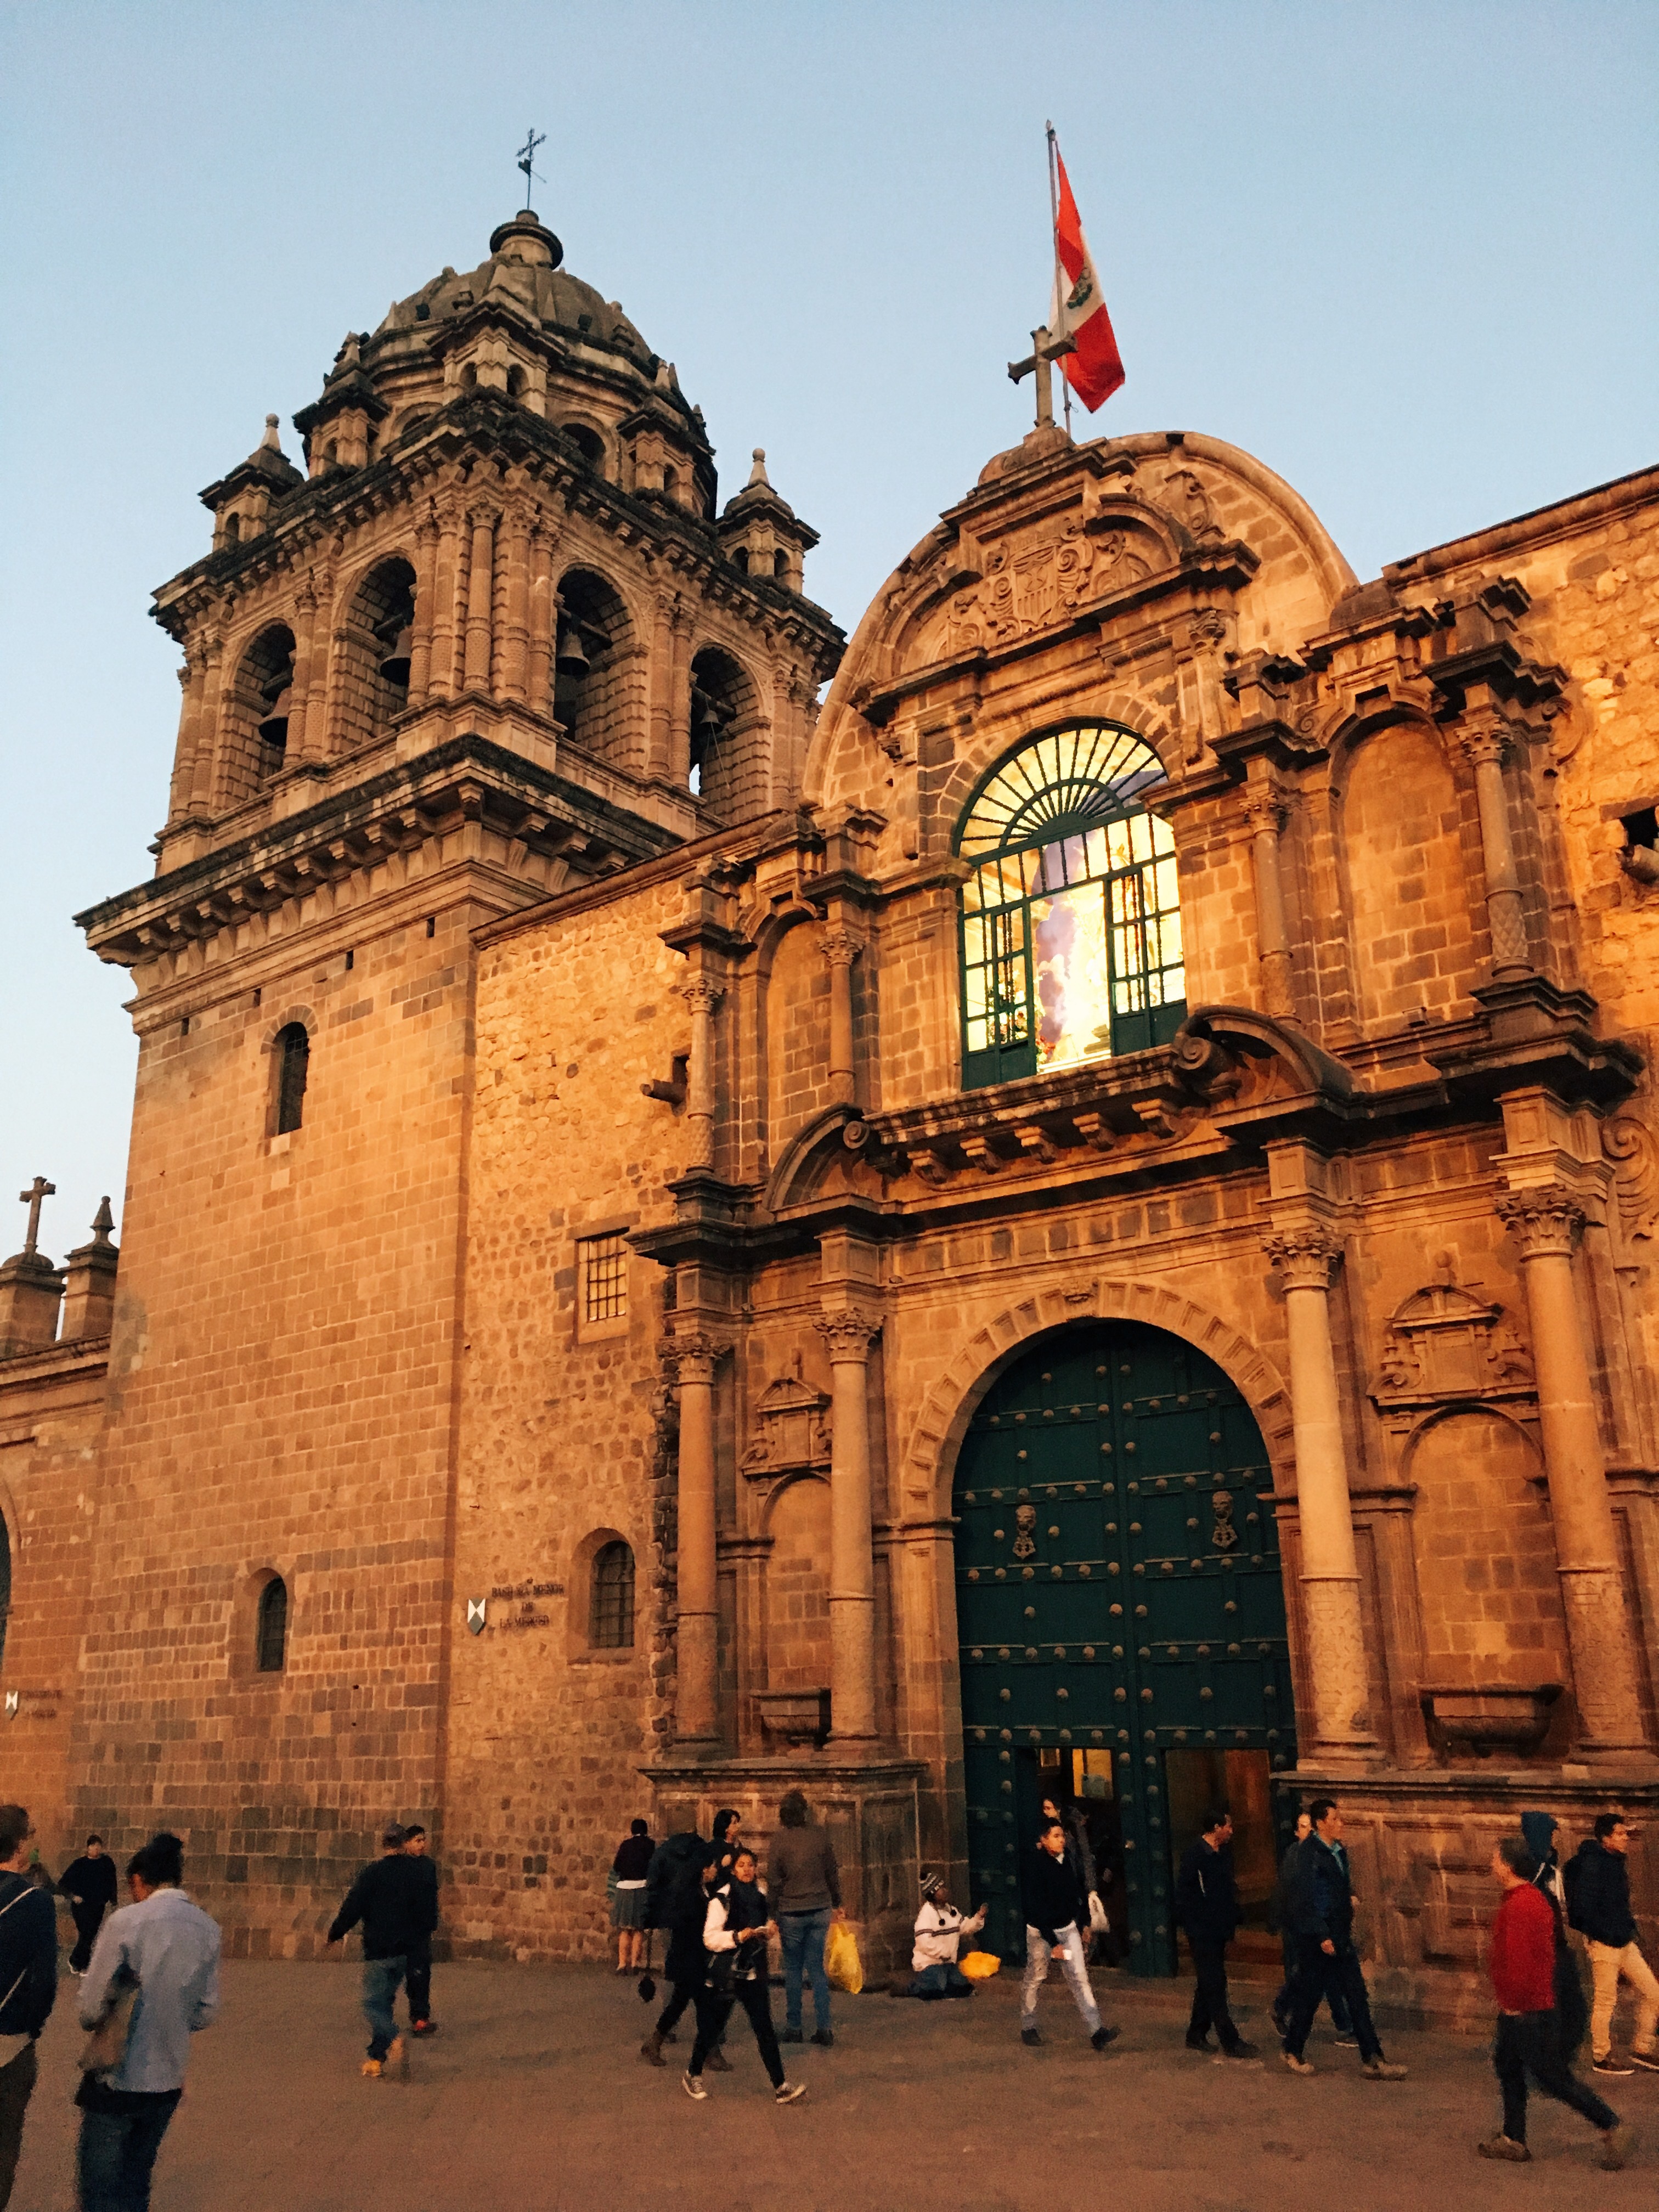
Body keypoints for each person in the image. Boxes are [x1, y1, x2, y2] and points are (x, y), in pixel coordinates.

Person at [76, 1831, 220, 2212]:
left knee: (100, 2191)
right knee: (136, 2182)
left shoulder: (126, 1922)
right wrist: (171, 2015)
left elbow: (89, 2009)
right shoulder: (207, 1928)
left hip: (118, 2076)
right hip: (168, 2077)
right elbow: (207, 2010)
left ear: (138, 1881)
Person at [1479, 1833, 1629, 2169]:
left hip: (1526, 2008)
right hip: (1528, 2005)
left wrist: (1516, 2004)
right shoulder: (1529, 1898)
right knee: (1508, 2066)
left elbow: (1521, 1961)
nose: (1492, 1864)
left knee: (1552, 2077)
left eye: (1496, 1859)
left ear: (1508, 1865)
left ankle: (1609, 2123)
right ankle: (1513, 2137)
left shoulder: (1521, 1905)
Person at [1279, 1798, 1405, 2080]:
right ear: (1321, 1823)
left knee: (1357, 1995)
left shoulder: (1338, 1850)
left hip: (1340, 1935)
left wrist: (1347, 1902)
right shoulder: (1308, 1854)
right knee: (1311, 1995)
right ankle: (1292, 2049)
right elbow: (1306, 1898)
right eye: (1335, 1819)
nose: (1341, 1823)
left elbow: (1337, 1887)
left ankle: (1373, 2058)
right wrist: (1322, 1934)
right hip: (1320, 1939)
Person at [682, 1847, 805, 2105]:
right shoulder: (722, 1899)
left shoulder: (760, 1895)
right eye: (742, 1865)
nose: (747, 1870)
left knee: (765, 2029)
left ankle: (780, 2085)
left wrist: (767, 1931)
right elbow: (710, 1938)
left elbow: (763, 1923)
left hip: (753, 1972)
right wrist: (738, 1936)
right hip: (728, 1973)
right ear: (733, 1870)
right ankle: (693, 2073)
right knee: (712, 2028)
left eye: (751, 1865)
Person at [326, 1822, 432, 2078]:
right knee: (384, 2003)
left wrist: (335, 1933)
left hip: (379, 1950)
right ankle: (376, 2058)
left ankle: (394, 2038)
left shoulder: (373, 1874)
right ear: (403, 1843)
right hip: (406, 1950)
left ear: (384, 1844)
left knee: (373, 2004)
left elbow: (353, 1907)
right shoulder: (417, 1872)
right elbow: (427, 1909)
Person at [1566, 1812, 1658, 2076]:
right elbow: (1583, 1910)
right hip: (1605, 1944)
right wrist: (1602, 1934)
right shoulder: (1594, 1865)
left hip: (1624, 1941)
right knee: (1605, 2001)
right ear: (1606, 1838)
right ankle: (1601, 2056)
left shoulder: (1615, 1862)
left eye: (1625, 1833)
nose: (1625, 1838)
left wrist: (1627, 1930)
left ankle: (1642, 2048)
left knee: (1653, 1993)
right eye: (1619, 1834)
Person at [0, 1805, 58, 2212]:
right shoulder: (35, 1902)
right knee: (4, 2146)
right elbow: (44, 1983)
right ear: (20, 1846)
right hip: (10, 2043)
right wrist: (31, 2027)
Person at [1020, 1819, 1118, 2052]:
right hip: (1041, 1934)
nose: (1061, 1840)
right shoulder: (1035, 1866)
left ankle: (1096, 2031)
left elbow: (1078, 1893)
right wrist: (1053, 1943)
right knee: (1036, 1977)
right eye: (1055, 1836)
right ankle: (1028, 2025)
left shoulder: (1068, 1861)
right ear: (1044, 1840)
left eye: (1062, 1835)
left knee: (1079, 1978)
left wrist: (1085, 1924)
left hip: (1068, 1929)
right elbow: (1034, 1908)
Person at [640, 1828, 728, 2073]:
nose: (715, 1870)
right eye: (713, 1866)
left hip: (691, 1959)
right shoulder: (691, 1897)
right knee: (703, 2004)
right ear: (703, 1869)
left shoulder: (700, 1891)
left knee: (680, 2003)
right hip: (690, 1958)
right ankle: (711, 2053)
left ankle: (655, 2042)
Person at [1174, 1808, 1257, 2058]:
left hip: (1219, 1928)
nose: (1231, 1830)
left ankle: (1196, 2033)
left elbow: (1227, 1890)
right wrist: (1196, 1925)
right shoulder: (1194, 1856)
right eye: (1227, 1826)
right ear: (1216, 1828)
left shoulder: (1224, 1854)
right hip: (1202, 1931)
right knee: (1215, 1984)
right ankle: (1230, 2040)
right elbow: (1187, 1897)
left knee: (1208, 1983)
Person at [1271, 1810, 1354, 2044]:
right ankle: (1343, 2025)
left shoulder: (1329, 1852)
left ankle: (1283, 2008)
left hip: (1324, 1924)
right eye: (1302, 1827)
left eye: (1310, 1827)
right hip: (1304, 1926)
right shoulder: (1296, 1855)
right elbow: (1293, 1893)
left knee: (1318, 1972)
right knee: (1320, 1973)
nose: (1307, 1832)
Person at [767, 1790, 843, 2049]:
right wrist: (837, 1902)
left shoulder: (779, 1840)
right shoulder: (820, 1836)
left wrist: (771, 1913)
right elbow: (832, 1872)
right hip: (819, 1907)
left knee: (793, 1971)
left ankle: (794, 2026)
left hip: (791, 1910)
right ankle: (824, 2027)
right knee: (817, 1969)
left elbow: (774, 1880)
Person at [1521, 1808, 1588, 2059]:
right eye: (1549, 1834)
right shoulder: (1532, 1867)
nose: (1553, 1839)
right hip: (1543, 1945)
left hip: (1555, 1942)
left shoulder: (1547, 1863)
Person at [906, 1871, 985, 1999]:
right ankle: (912, 1988)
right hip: (930, 1963)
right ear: (933, 1894)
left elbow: (965, 1927)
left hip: (948, 1963)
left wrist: (979, 1917)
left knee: (962, 1987)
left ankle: (945, 1988)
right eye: (941, 1889)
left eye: (944, 1887)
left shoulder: (951, 1911)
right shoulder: (926, 1915)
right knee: (935, 1989)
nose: (946, 1891)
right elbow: (925, 1943)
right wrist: (943, 1953)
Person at [61, 1835, 120, 1978]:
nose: (96, 1848)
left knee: (90, 1934)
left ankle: (75, 1960)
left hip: (98, 1905)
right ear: (88, 1848)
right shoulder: (79, 1864)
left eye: (98, 1845)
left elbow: (112, 1882)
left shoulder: (106, 1863)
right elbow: (63, 1883)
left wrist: (113, 1901)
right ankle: (84, 1965)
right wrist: (73, 1896)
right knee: (86, 1932)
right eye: (93, 1846)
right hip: (81, 1905)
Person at [400, 1823, 440, 2036]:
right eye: (417, 1841)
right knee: (406, 1974)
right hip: (405, 1928)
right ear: (407, 1844)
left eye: (423, 1840)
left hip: (422, 1929)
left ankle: (421, 2017)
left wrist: (432, 1921)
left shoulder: (428, 1866)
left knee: (422, 1974)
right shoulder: (401, 1867)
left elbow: (432, 1896)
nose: (422, 1845)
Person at [612, 1818, 653, 1974]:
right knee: (638, 1929)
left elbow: (616, 1867)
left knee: (624, 1929)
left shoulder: (625, 1845)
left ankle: (622, 1964)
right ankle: (635, 1964)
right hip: (642, 1888)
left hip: (625, 1888)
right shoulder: (650, 1845)